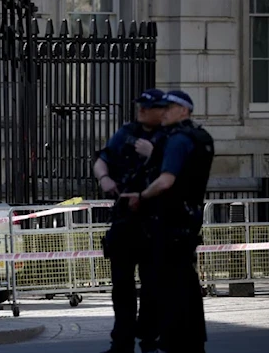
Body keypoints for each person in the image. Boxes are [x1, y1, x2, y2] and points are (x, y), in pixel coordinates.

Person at [120, 90, 215, 353]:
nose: (164, 112)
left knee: (168, 286)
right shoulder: (201, 137)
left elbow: (165, 181)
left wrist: (140, 195)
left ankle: (172, 341)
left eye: (169, 108)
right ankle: (191, 341)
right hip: (189, 218)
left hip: (170, 221)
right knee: (187, 284)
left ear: (184, 111)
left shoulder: (178, 139)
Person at [93, 88, 167, 353]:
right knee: (121, 286)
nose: (142, 112)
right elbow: (102, 159)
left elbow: (178, 173)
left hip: (155, 219)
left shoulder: (172, 136)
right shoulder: (127, 132)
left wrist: (153, 153)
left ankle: (149, 340)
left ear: (162, 110)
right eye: (140, 107)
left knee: (153, 286)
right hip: (125, 218)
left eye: (149, 108)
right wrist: (104, 178)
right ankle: (121, 343)